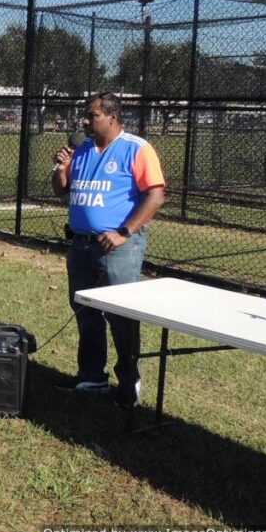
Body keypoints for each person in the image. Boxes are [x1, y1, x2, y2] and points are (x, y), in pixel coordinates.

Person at [51, 92, 166, 408]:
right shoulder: (82, 149)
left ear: (112, 116)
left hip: (117, 249)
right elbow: (62, 190)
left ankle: (129, 383)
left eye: (92, 116)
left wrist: (124, 232)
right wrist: (61, 169)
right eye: (86, 116)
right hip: (80, 245)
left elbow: (155, 195)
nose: (85, 121)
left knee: (121, 317)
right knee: (86, 312)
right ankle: (91, 376)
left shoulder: (136, 149)